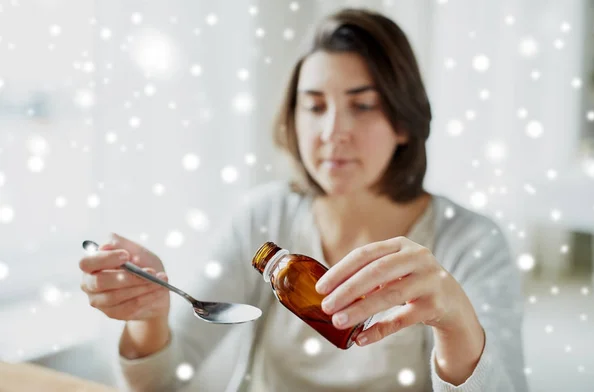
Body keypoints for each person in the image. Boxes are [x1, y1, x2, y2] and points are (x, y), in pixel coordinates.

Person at [79, 8, 528, 392]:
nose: (333, 131)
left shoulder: (471, 241)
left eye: (363, 105)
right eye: (314, 106)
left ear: (404, 122)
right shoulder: (262, 216)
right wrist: (149, 316)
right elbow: (163, 381)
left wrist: (455, 323)